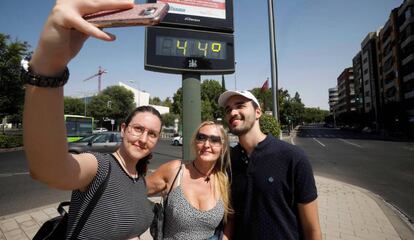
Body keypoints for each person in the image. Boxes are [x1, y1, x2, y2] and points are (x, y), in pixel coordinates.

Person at [22, 0, 161, 239]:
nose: (143, 139)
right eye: (138, 129)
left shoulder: (140, 180)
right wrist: (49, 64)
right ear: (124, 129)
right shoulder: (100, 167)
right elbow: (48, 169)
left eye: (152, 134)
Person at [218, 90, 322, 240]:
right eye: (228, 109)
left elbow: (312, 229)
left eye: (240, 106)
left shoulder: (293, 157)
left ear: (258, 112)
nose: (233, 112)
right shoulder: (227, 161)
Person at [146, 121, 232, 240]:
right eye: (201, 138)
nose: (206, 144)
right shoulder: (174, 170)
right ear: (195, 142)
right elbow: (135, 192)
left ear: (223, 148)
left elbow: (230, 220)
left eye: (214, 140)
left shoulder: (224, 180)